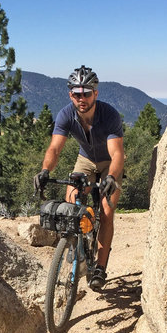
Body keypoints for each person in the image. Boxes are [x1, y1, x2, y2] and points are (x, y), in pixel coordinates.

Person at [34, 65, 126, 291]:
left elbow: (117, 153)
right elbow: (54, 148)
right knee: (70, 203)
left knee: (105, 210)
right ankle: (76, 246)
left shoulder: (109, 115)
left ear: (96, 93)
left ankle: (100, 268)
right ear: (70, 95)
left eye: (86, 93)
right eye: (77, 93)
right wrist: (45, 171)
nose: (81, 98)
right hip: (85, 160)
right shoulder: (66, 114)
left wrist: (112, 177)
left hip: (108, 163)